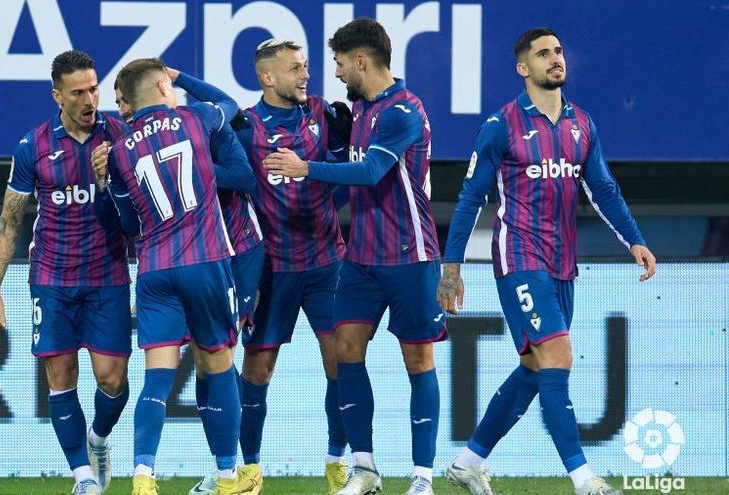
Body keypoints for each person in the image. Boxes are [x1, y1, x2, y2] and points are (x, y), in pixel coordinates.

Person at [438, 28, 657, 495]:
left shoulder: (582, 123)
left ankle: (467, 461)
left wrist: (634, 241)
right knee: (557, 356)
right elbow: (470, 198)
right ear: (523, 69)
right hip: (518, 255)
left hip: (563, 261)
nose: (555, 59)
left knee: (537, 369)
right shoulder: (501, 126)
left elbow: (603, 190)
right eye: (543, 54)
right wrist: (450, 266)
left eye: (558, 51)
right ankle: (584, 480)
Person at [264, 19, 446, 495]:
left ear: (361, 60)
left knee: (418, 361)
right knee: (345, 352)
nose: (338, 74)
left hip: (410, 255)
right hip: (361, 258)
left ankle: (422, 475)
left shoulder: (403, 111)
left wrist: (305, 169)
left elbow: (369, 172)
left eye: (341, 64)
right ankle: (364, 469)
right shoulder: (361, 109)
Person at [181, 39, 353, 495]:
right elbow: (218, 106)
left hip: (326, 262)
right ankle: (250, 471)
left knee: (341, 363)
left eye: (306, 66)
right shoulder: (245, 129)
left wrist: (324, 192)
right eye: (295, 68)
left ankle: (338, 462)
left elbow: (354, 168)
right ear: (267, 77)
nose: (305, 74)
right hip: (272, 268)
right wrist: (176, 78)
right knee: (257, 372)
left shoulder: (325, 114)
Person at [100, 57, 257, 495]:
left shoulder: (118, 153)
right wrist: (182, 77)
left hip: (153, 271)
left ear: (128, 103)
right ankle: (228, 477)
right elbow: (230, 103)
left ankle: (143, 476)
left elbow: (129, 225)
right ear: (162, 90)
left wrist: (110, 181)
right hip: (205, 262)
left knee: (157, 377)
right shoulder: (197, 116)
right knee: (219, 365)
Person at [0, 50, 132, 495]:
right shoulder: (33, 147)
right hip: (52, 277)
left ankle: (99, 441)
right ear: (57, 96)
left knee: (112, 379)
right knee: (60, 375)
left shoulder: (121, 135)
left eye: (94, 88)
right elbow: (10, 220)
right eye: (79, 92)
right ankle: (83, 478)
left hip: (108, 275)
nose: (90, 100)